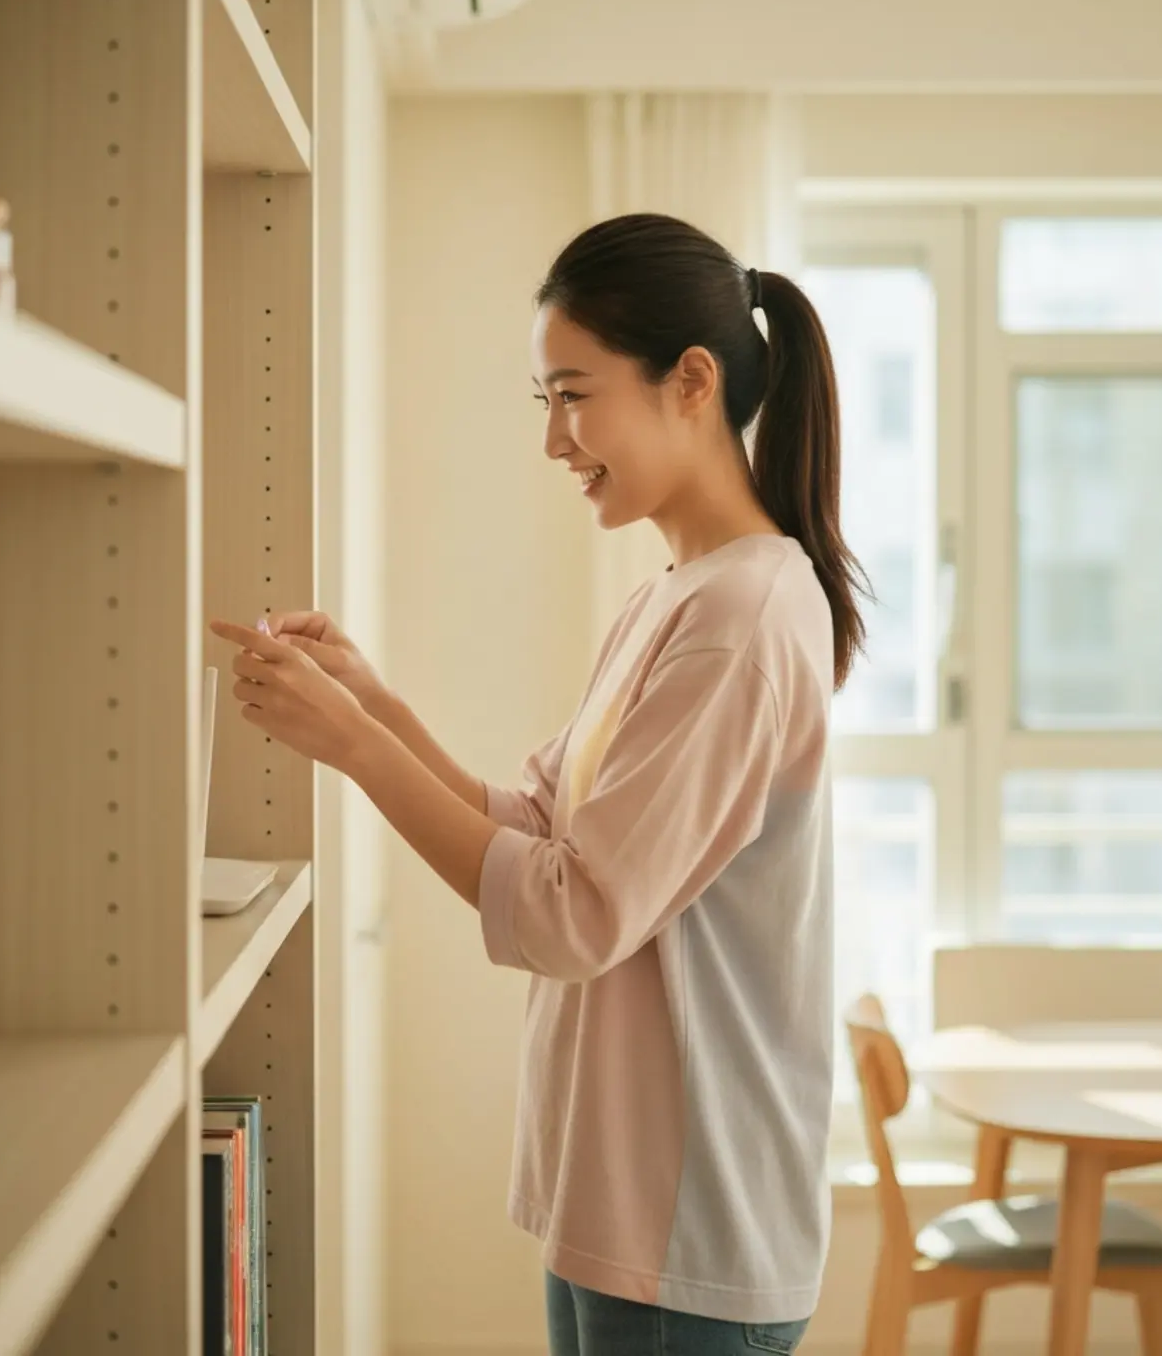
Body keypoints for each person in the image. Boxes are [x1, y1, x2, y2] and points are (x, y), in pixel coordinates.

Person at [211, 212, 867, 1356]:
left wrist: (355, 750)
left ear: (691, 382)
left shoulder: (743, 615)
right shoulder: (679, 595)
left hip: (689, 1236)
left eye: (574, 394)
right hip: (622, 1213)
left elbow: (573, 915)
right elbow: (543, 829)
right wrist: (371, 705)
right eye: (544, 403)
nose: (556, 441)